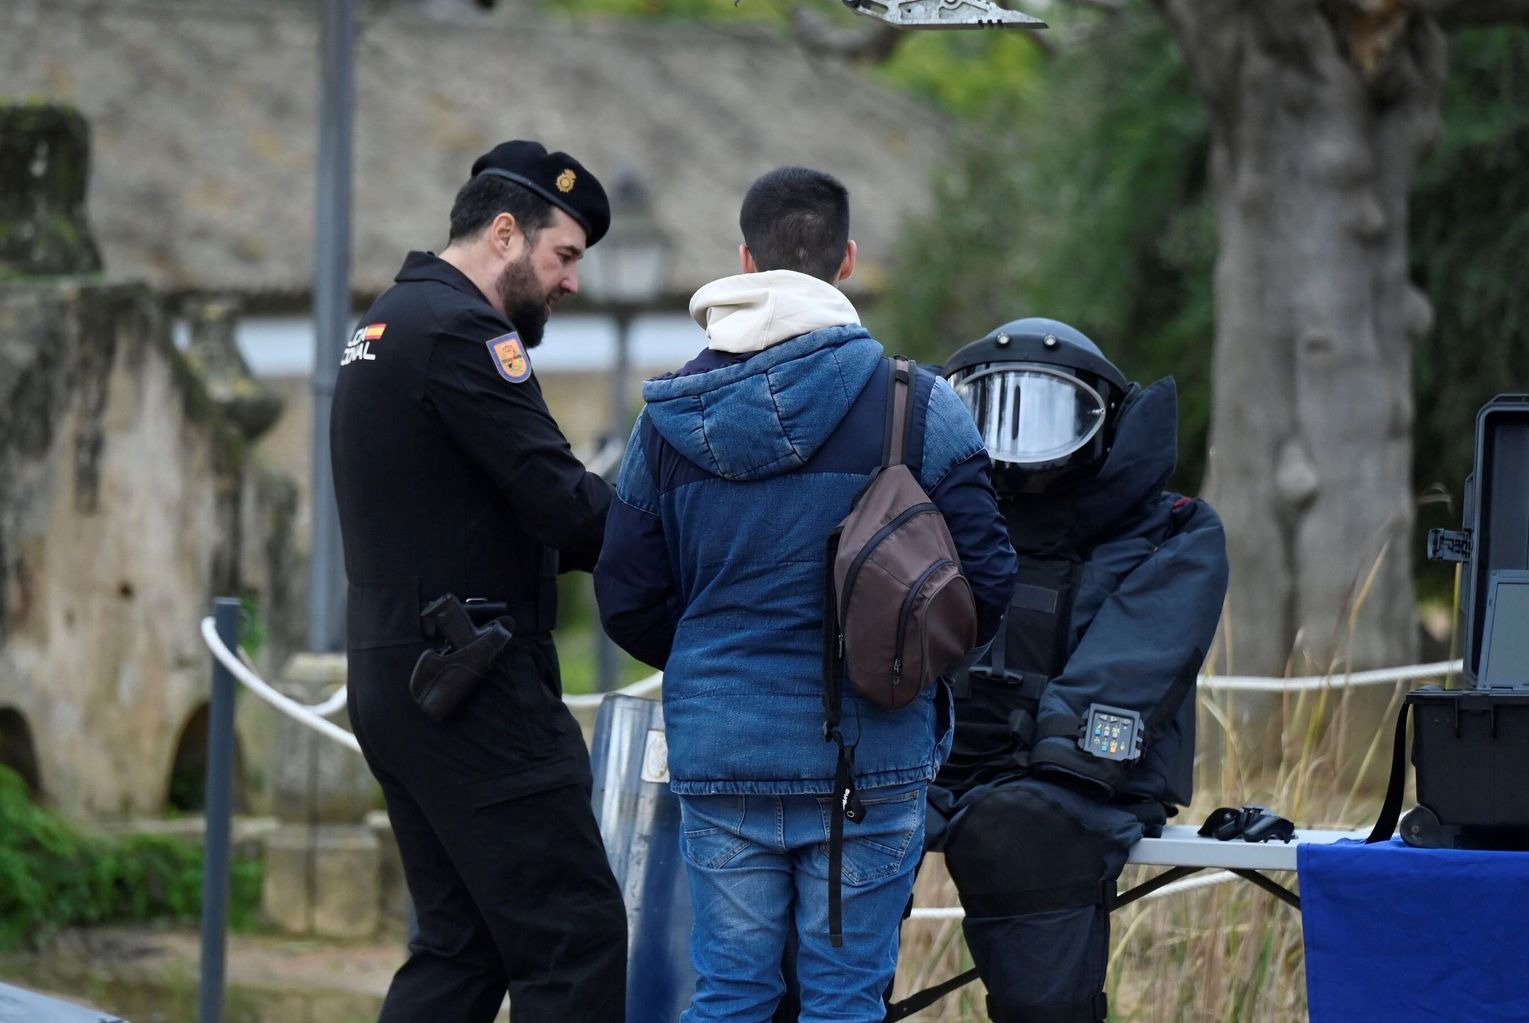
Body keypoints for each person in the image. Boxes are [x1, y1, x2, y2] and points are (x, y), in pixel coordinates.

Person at [594, 166, 1017, 1023]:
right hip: (872, 755)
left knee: (732, 992)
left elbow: (627, 593)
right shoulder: (919, 407)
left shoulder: (666, 421)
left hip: (722, 748)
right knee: (845, 999)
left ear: (744, 260)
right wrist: (896, 657)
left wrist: (717, 656)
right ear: (847, 260)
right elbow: (990, 582)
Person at [329, 140, 628, 1023]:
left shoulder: (385, 322)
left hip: (402, 678)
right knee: (573, 937)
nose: (571, 281)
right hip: (474, 687)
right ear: (506, 233)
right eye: (563, 254)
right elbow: (566, 505)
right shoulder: (465, 331)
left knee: (463, 948)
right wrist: (686, 524)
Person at [927, 319, 1229, 1023]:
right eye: (998, 409)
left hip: (1071, 783)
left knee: (1025, 828)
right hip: (923, 764)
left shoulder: (1172, 531)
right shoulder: (930, 517)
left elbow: (1132, 663)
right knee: (837, 826)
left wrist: (1061, 750)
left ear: (1107, 421)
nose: (1021, 440)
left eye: (1049, 411)